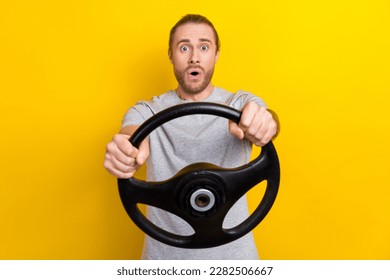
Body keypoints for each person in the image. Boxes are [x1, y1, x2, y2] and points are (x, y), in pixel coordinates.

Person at [104, 14, 280, 260]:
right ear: (171, 55)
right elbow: (131, 134)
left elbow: (266, 117)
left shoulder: (239, 104)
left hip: (235, 261)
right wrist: (126, 150)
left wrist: (264, 123)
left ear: (216, 54)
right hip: (163, 261)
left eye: (204, 47)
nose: (194, 57)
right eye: (184, 47)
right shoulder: (147, 111)